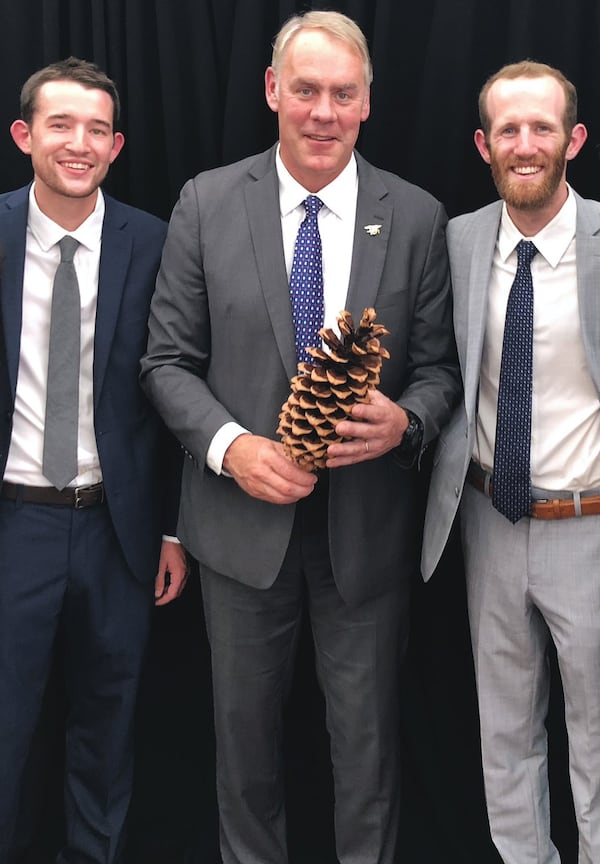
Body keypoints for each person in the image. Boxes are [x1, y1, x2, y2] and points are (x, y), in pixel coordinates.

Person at [141, 10, 459, 864]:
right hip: (238, 539)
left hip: (367, 539)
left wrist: (406, 421)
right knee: (243, 759)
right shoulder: (206, 203)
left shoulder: (420, 216)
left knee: (369, 759)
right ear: (273, 90)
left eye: (343, 94)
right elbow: (166, 362)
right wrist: (232, 448)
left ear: (367, 105)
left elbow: (440, 374)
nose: (324, 111)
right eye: (308, 89)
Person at [0, 57, 188, 863]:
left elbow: (177, 386)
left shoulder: (155, 241)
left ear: (116, 147)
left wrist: (172, 530)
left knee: (105, 737)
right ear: (24, 135)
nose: (79, 143)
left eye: (97, 130)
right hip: (15, 524)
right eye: (60, 124)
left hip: (118, 531)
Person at [422, 60, 600, 864]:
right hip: (490, 521)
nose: (525, 145)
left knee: (596, 742)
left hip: (590, 527)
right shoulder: (459, 239)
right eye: (508, 130)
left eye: (541, 127)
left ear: (574, 138)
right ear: (483, 144)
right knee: (505, 736)